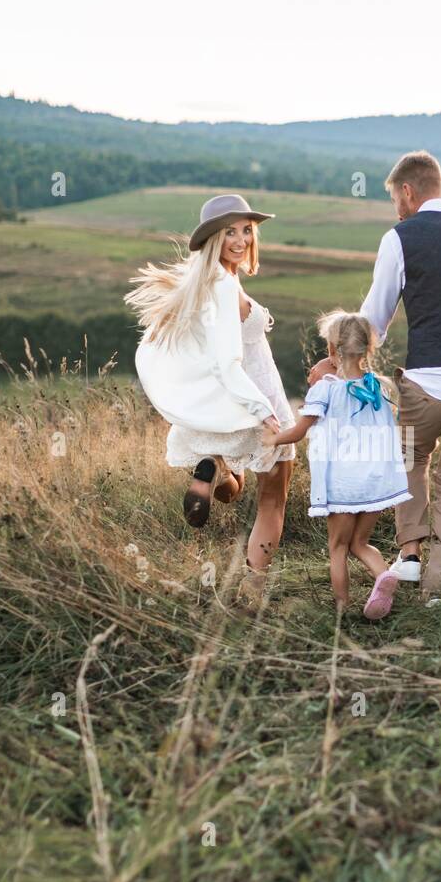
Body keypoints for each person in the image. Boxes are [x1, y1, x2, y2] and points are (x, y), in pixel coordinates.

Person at [310, 151, 441, 602]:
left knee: (408, 455)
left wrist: (340, 362)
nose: (395, 209)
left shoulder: (400, 237)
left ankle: (409, 554)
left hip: (430, 384)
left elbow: (374, 321)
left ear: (407, 191)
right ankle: (435, 591)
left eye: (394, 199)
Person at [125, 194, 295, 603]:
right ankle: (254, 591)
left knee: (239, 472)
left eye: (247, 230)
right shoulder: (220, 286)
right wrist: (263, 411)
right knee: (273, 500)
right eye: (230, 232)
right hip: (253, 397)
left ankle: (218, 472)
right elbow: (227, 360)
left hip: (224, 406)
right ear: (212, 240)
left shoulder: (206, 280)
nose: (241, 239)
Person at [263, 310, 410, 618]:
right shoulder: (379, 390)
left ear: (331, 350)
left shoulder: (325, 389)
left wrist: (273, 439)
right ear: (369, 349)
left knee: (338, 549)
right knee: (361, 543)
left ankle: (343, 610)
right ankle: (383, 576)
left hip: (343, 486)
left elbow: (299, 431)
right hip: (376, 482)